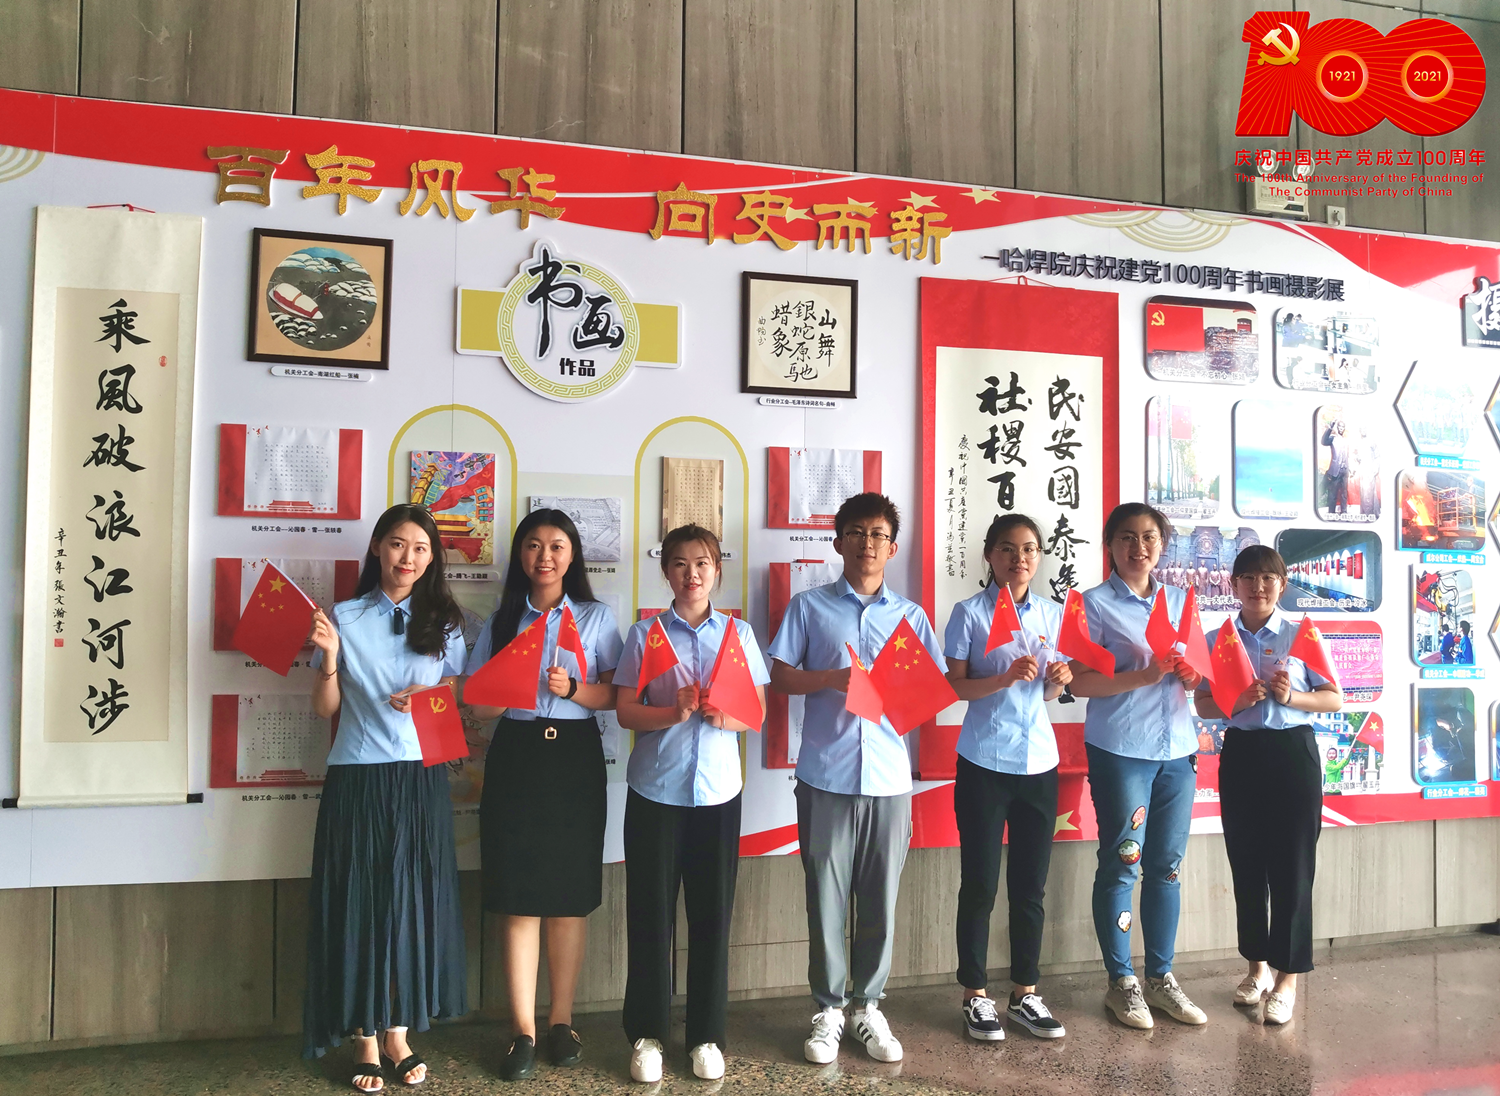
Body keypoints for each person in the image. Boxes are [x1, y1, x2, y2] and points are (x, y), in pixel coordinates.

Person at [768, 492, 941, 1065]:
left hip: (890, 779)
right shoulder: (809, 607)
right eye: (858, 532)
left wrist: (902, 692)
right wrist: (831, 678)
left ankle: (867, 1006)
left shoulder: (911, 617)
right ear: (838, 541)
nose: (868, 543)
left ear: (893, 547)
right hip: (826, 776)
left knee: (880, 900)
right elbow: (781, 678)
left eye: (879, 534)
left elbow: (931, 693)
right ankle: (828, 1009)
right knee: (825, 897)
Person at [304, 504, 470, 1092]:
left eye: (421, 548)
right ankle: (364, 1038)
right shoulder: (344, 616)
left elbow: (454, 694)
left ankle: (398, 1033)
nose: (408, 557)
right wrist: (329, 659)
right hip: (359, 775)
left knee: (413, 902)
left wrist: (430, 697)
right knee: (361, 901)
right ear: (377, 547)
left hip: (421, 777)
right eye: (398, 544)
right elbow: (324, 708)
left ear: (433, 558)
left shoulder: (445, 621)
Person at [462, 510, 622, 1080]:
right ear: (521, 555)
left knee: (568, 897)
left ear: (572, 555)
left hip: (574, 758)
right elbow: (477, 703)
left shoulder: (596, 617)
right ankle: (522, 1030)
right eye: (534, 545)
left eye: (556, 546)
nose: (545, 556)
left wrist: (574, 688)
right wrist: (513, 686)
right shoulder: (503, 620)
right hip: (517, 755)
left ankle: (562, 1022)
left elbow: (616, 696)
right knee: (519, 895)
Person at [613, 525, 770, 1083]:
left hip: (718, 795)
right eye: (680, 563)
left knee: (711, 918)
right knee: (650, 915)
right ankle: (648, 1035)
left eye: (702, 562)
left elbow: (756, 710)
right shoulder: (646, 634)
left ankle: (706, 1035)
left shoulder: (737, 634)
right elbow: (625, 711)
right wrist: (672, 713)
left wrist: (727, 717)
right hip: (655, 793)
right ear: (666, 572)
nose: (692, 573)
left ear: (717, 570)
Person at [1068, 502, 1207, 1031]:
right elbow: (1078, 681)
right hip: (1122, 751)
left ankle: (1161, 978)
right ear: (1110, 545)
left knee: (1166, 867)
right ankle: (1121, 982)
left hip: (1178, 750)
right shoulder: (1091, 604)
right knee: (1123, 862)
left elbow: (1202, 674)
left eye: (1149, 537)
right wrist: (1143, 676)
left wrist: (1193, 677)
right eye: (1127, 537)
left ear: (1162, 546)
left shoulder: (1181, 602)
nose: (1139, 547)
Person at [1194, 545, 1342, 1026]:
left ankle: (1287, 980)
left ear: (1282, 584)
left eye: (1268, 578)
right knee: (1247, 866)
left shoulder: (1302, 634)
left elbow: (1333, 698)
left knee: (1293, 869)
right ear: (1233, 585)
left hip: (1292, 755)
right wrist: (1236, 700)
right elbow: (1202, 704)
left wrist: (1292, 696)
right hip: (1242, 755)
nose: (1258, 587)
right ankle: (1256, 969)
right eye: (1248, 578)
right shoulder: (1219, 639)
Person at [944, 514, 1071, 1041]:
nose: (1019, 558)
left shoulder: (1053, 614)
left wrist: (1059, 679)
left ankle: (1024, 993)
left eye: (1029, 549)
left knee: (1030, 886)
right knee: (979, 884)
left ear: (1038, 557)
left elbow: (1048, 692)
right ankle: (975, 996)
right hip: (983, 762)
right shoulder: (969, 613)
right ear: (989, 556)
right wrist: (1002, 677)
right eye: (1007, 549)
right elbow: (955, 686)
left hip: (1039, 763)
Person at [1322, 419, 1350, 514]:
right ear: (1337, 427)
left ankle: (1344, 512)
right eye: (1340, 426)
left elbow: (1347, 455)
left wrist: (1349, 468)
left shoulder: (1346, 441)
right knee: (1333, 493)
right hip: (1335, 470)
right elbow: (1323, 441)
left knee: (1344, 493)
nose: (1341, 428)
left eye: (1343, 427)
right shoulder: (1333, 438)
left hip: (1344, 470)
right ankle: (1331, 513)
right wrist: (1330, 428)